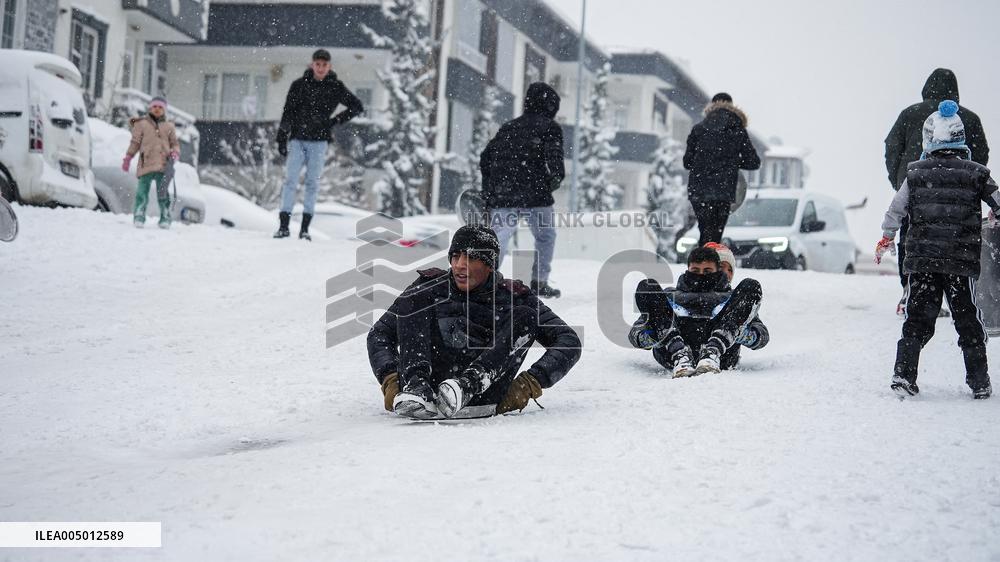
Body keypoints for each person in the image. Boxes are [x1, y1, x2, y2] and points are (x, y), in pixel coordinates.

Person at [367, 225, 581, 419]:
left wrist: (528, 385)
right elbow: (379, 335)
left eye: (470, 258)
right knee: (416, 297)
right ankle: (416, 388)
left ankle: (467, 385)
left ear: (489, 265)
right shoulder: (429, 287)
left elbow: (568, 341)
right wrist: (391, 380)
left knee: (525, 315)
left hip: (483, 396)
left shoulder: (514, 296)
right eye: (456, 256)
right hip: (426, 394)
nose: (460, 265)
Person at [876, 100, 1000, 399]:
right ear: (961, 139)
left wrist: (887, 235)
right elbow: (997, 199)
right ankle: (979, 381)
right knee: (968, 320)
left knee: (917, 320)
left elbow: (897, 209)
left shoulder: (915, 173)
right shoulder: (977, 173)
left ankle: (904, 374)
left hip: (922, 262)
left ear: (928, 139)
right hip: (960, 263)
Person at [884, 68, 990, 314]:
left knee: (911, 238)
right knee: (956, 240)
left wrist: (900, 180)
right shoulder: (969, 118)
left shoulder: (909, 115)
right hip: (957, 195)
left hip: (917, 187)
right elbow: (981, 155)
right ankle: (959, 297)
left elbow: (891, 148)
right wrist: (970, 186)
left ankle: (910, 293)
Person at [629, 245, 768, 378]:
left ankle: (712, 353)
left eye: (707, 271)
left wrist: (740, 333)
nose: (701, 275)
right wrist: (654, 335)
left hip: (722, 353)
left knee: (751, 286)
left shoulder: (732, 298)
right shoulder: (670, 296)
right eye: (695, 271)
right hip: (672, 351)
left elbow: (761, 335)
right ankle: (680, 355)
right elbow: (636, 333)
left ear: (717, 271)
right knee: (647, 286)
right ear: (688, 270)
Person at [480, 82, 565, 298]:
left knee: (500, 237)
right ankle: (539, 281)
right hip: (536, 194)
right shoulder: (550, 127)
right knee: (545, 235)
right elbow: (556, 166)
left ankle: (487, 282)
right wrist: (550, 183)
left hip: (503, 193)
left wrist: (489, 191)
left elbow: (485, 158)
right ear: (550, 105)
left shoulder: (508, 127)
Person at [274, 49, 364, 241]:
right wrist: (282, 137)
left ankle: (305, 229)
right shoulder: (299, 86)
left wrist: (334, 121)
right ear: (312, 65)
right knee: (290, 181)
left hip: (319, 142)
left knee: (312, 183)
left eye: (324, 65)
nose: (321, 68)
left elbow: (357, 106)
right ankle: (284, 226)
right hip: (297, 139)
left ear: (329, 66)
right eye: (318, 64)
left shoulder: (335, 87)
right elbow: (288, 112)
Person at [683, 92, 761, 246]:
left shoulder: (698, 129)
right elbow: (754, 162)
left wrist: (705, 161)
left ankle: (700, 264)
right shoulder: (738, 130)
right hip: (723, 192)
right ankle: (711, 265)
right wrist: (733, 161)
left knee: (704, 231)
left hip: (699, 190)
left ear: (711, 107)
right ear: (732, 107)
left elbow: (687, 162)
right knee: (715, 234)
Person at [122, 97, 179, 229]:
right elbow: (135, 142)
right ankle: (139, 214)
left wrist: (175, 152)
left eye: (160, 107)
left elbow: (175, 144)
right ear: (150, 108)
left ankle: (165, 216)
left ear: (164, 110)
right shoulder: (142, 124)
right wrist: (128, 157)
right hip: (145, 164)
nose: (157, 109)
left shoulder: (169, 126)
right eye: (154, 107)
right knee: (142, 192)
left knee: (163, 193)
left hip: (163, 166)